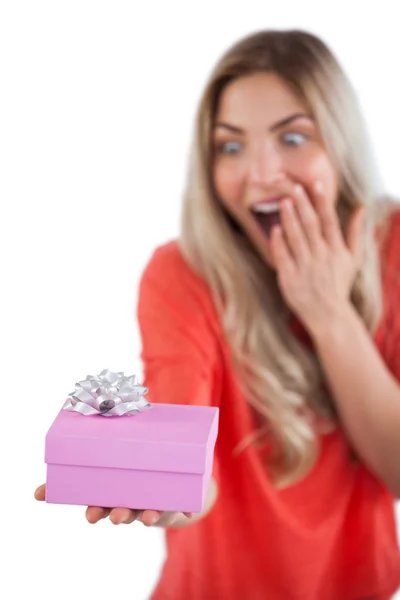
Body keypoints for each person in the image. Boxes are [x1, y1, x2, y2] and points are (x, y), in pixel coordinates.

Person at [35, 29, 400, 599]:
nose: (261, 173)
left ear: (341, 143)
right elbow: (187, 451)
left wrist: (329, 314)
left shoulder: (393, 248)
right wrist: (161, 491)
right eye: (230, 146)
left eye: (293, 137)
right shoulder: (181, 275)